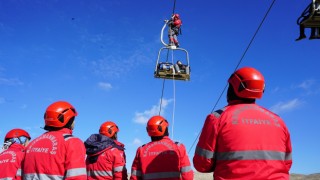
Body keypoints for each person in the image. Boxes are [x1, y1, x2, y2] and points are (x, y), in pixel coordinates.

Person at [193, 67, 292, 180]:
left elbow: (202, 164)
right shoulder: (278, 121)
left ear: (233, 87)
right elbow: (287, 163)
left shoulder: (217, 118)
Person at [22, 101, 87, 180]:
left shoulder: (32, 144)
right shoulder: (72, 142)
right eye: (73, 119)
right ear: (68, 120)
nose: (74, 122)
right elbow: (77, 177)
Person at [130, 115, 194, 180]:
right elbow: (187, 175)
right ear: (163, 129)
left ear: (148, 130)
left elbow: (135, 177)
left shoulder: (141, 150)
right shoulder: (179, 147)